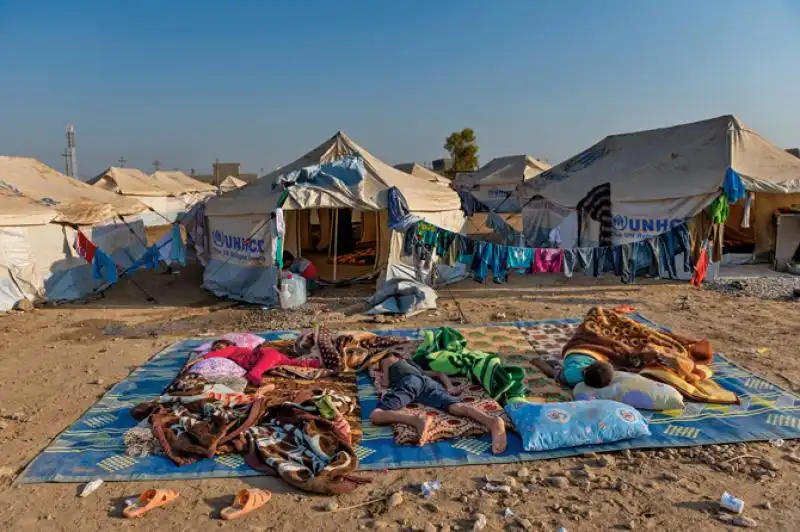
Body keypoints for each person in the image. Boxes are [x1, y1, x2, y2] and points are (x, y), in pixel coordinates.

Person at [369, 355, 507, 454]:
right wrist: (450, 387)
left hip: (410, 382)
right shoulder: (415, 367)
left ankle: (416, 419)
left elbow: (385, 384)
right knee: (456, 407)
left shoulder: (388, 359)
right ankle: (491, 421)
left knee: (376, 415)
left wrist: (382, 372)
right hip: (429, 383)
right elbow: (440, 374)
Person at [200, 339, 321, 386]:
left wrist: (194, 361)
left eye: (219, 346)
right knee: (290, 363)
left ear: (228, 345)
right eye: (214, 348)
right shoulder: (227, 358)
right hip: (267, 359)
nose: (216, 349)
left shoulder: (231, 349)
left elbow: (210, 355)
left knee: (274, 361)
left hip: (264, 354)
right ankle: (316, 364)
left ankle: (255, 374)